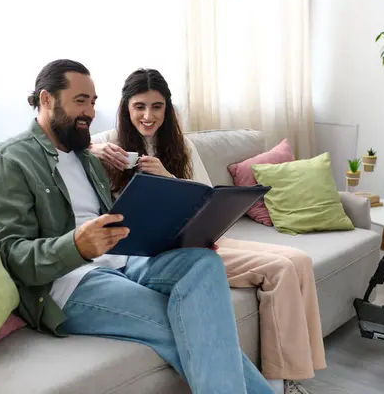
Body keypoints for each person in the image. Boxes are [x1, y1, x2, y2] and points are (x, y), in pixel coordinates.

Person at [0, 59, 275, 394]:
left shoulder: (86, 156)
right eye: (80, 101)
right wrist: (76, 246)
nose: (88, 111)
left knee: (203, 263)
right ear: (46, 100)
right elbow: (12, 255)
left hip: (123, 258)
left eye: (92, 101)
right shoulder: (9, 160)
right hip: (68, 283)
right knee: (190, 322)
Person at [90, 68, 327, 394]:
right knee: (281, 268)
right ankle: (279, 383)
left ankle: (295, 379)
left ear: (167, 108)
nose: (148, 115)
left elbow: (202, 196)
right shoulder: (111, 144)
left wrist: (167, 178)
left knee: (298, 260)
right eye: (139, 106)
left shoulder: (180, 145)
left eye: (157, 106)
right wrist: (95, 149)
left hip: (199, 237)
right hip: (161, 253)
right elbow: (66, 148)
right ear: (126, 107)